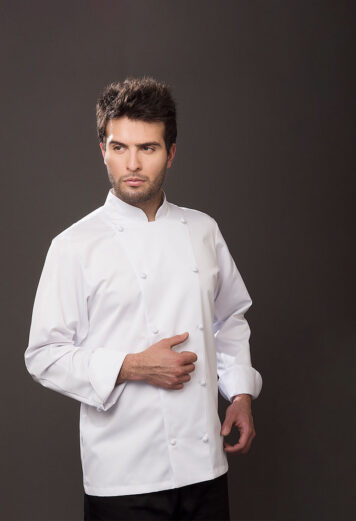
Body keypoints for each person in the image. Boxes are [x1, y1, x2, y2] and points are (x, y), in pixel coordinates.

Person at [25, 76, 262, 521]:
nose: (132, 164)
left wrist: (240, 394)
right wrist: (133, 366)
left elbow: (229, 318)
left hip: (205, 468)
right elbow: (43, 355)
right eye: (119, 147)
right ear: (103, 150)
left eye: (148, 148)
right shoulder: (74, 245)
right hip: (123, 477)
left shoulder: (203, 230)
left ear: (170, 153)